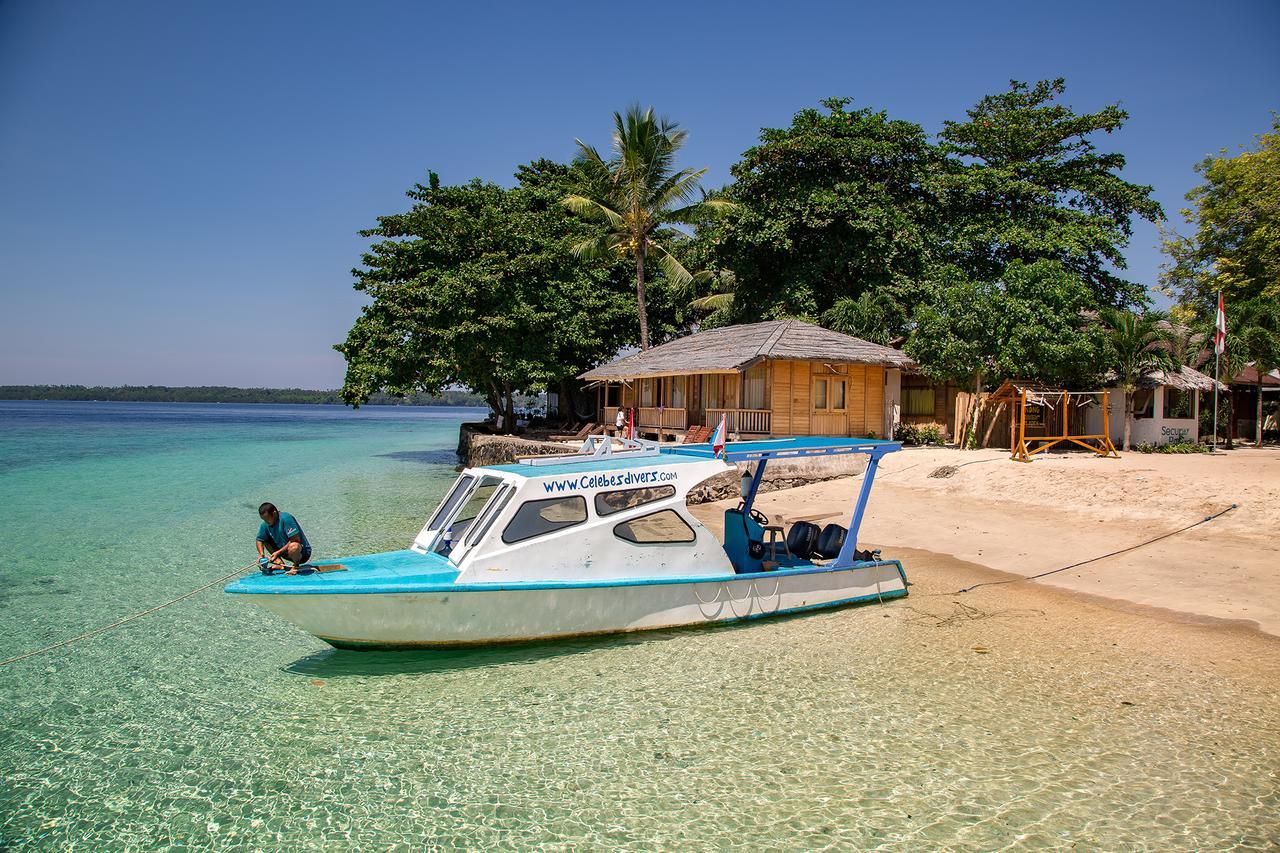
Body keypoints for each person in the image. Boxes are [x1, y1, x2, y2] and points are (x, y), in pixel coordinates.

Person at [256, 502, 312, 574]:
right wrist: (261, 555)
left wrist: (278, 553)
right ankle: (280, 564)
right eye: (264, 519)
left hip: (302, 553)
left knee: (294, 546)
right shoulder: (265, 524)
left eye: (267, 519)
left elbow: (295, 539)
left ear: (274, 513)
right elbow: (259, 540)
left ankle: (296, 566)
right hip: (285, 553)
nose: (266, 521)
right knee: (265, 539)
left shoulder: (286, 518)